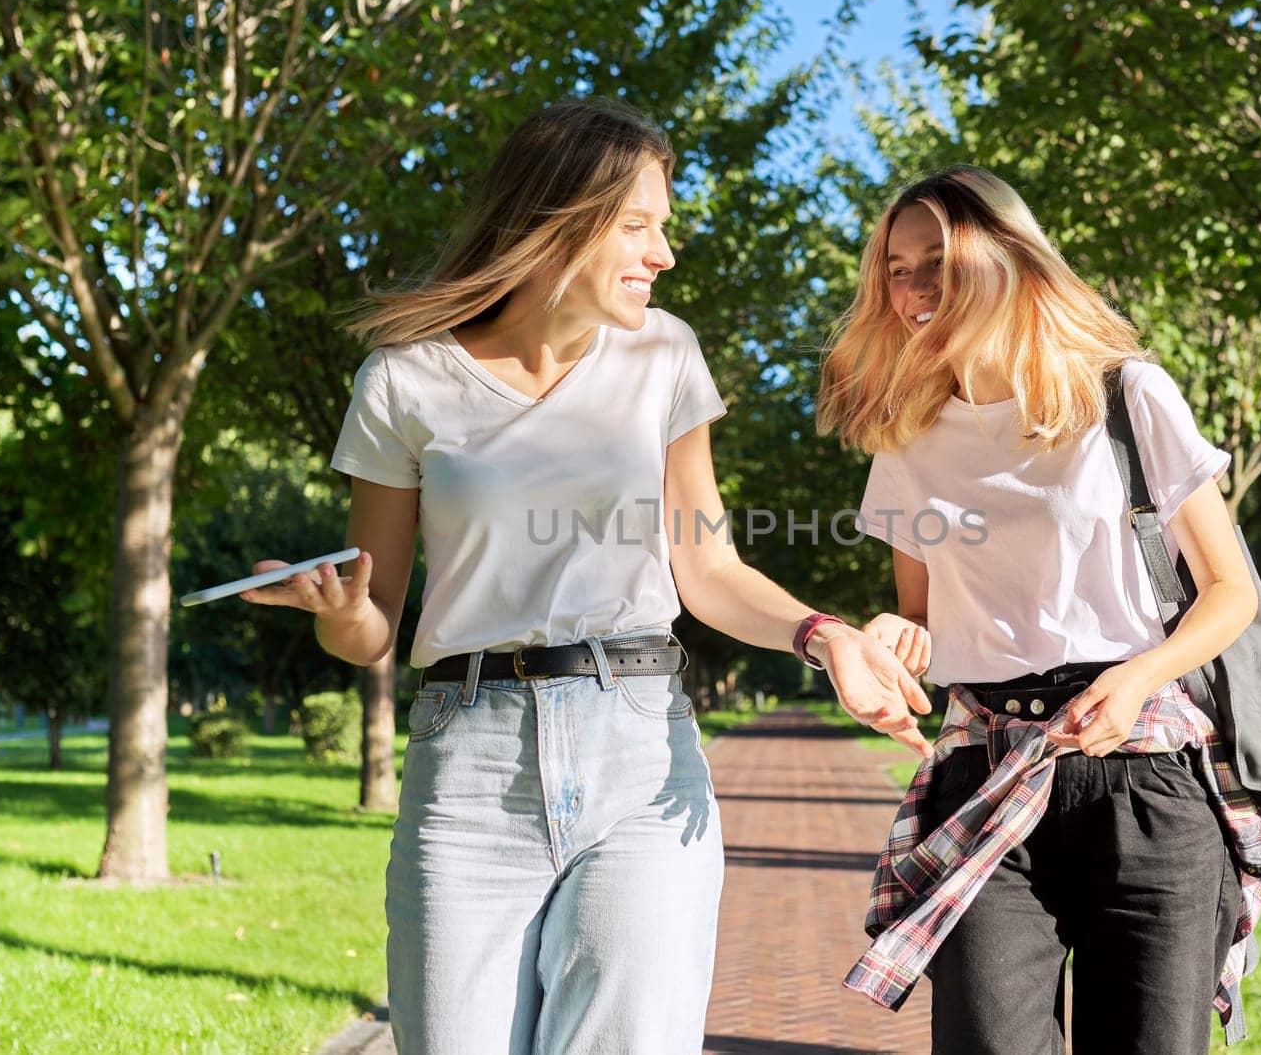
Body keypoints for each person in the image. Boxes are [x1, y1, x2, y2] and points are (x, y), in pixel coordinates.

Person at [239, 98, 933, 1055]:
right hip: (470, 763)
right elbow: (371, 633)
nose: (663, 253)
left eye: (663, 227)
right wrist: (342, 608)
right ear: (558, 220)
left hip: (640, 748)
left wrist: (826, 637)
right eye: (639, 225)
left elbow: (709, 564)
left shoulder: (663, 354)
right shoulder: (404, 380)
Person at [819, 166, 1261, 1053]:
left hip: (1144, 779)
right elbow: (925, 620)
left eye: (939, 262)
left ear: (1006, 258)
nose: (914, 289)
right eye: (896, 267)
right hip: (987, 773)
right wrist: (889, 636)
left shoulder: (1124, 395)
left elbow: (1230, 591)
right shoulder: (909, 437)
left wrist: (1139, 676)